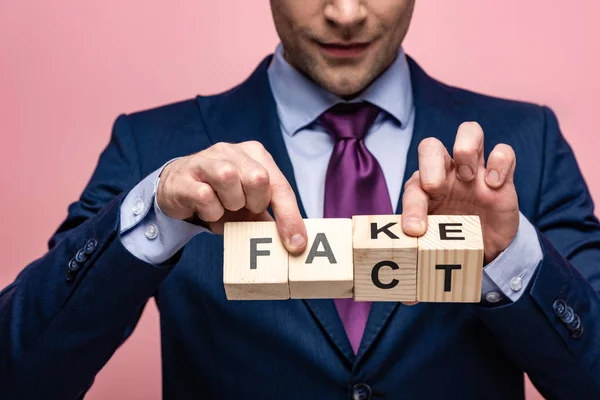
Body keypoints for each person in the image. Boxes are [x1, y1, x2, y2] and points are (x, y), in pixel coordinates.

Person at [1, 0, 599, 398]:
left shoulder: (526, 144)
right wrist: (155, 214)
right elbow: (19, 372)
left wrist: (509, 255)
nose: (344, 13)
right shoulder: (153, 148)